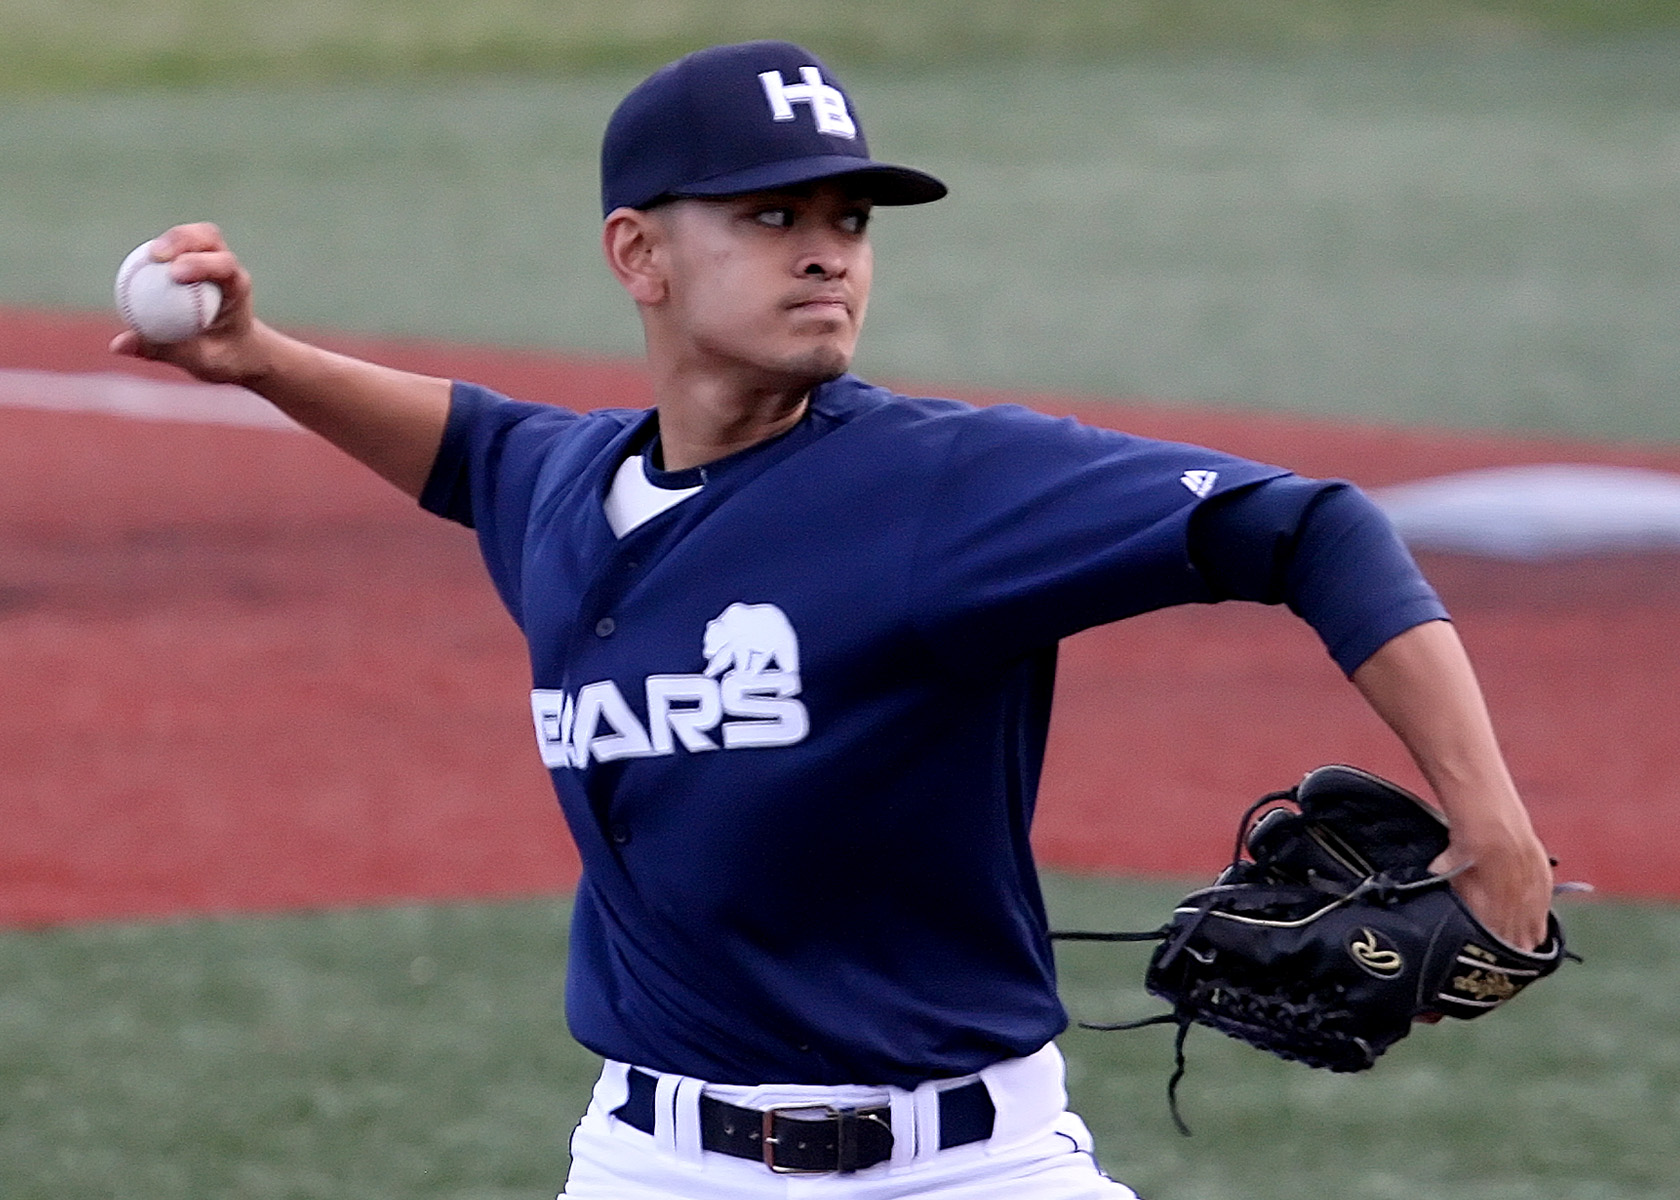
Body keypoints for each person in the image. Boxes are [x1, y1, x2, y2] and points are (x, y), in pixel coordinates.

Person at [113, 40, 1555, 1200]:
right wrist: (259, 359)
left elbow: (1314, 528)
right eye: (772, 215)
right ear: (639, 255)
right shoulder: (560, 489)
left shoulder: (940, 486)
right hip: (647, 1163)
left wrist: (1491, 824)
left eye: (847, 220)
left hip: (968, 1167)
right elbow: (466, 444)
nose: (827, 253)